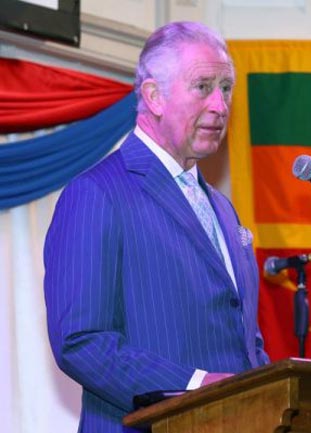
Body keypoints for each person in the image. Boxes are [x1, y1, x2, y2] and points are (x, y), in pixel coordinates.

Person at [44, 21, 269, 433]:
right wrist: (194, 386)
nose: (220, 106)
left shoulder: (223, 209)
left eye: (226, 88)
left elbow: (245, 344)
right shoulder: (97, 194)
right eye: (203, 86)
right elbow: (81, 342)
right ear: (153, 96)